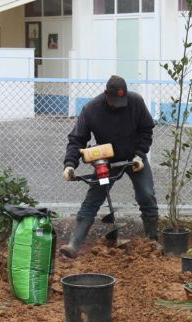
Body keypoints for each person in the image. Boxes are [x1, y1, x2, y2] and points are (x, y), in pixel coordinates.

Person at [59, 75, 158, 258]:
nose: (119, 105)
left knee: (146, 194)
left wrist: (139, 154)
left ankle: (152, 241)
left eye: (122, 101)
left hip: (134, 158)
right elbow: (77, 139)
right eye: (115, 101)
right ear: (106, 94)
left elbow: (147, 129)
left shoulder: (135, 102)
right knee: (93, 200)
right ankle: (73, 245)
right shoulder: (91, 110)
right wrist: (70, 164)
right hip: (108, 160)